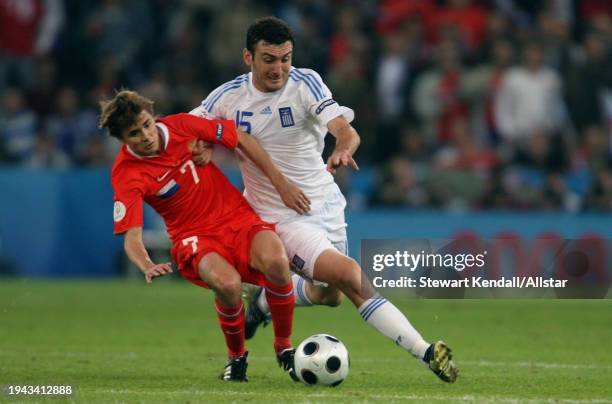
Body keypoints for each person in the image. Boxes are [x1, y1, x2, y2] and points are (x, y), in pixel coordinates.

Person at [190, 17, 458, 383]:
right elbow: (188, 130)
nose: (279, 68)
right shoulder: (227, 98)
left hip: (326, 204)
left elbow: (345, 131)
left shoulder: (306, 82)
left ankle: (266, 301)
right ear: (247, 58)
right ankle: (426, 351)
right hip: (277, 218)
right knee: (351, 274)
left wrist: (342, 150)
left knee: (329, 295)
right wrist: (200, 143)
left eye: (285, 58)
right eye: (269, 59)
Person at [101, 89, 305, 382]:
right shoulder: (126, 173)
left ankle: (284, 347)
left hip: (237, 217)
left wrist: (280, 182)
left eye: (146, 124)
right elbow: (131, 236)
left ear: (152, 116)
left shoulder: (182, 126)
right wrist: (146, 264)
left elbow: (240, 137)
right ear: (122, 140)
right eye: (134, 133)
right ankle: (236, 359)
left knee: (277, 262)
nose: (145, 135)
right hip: (194, 237)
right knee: (228, 285)